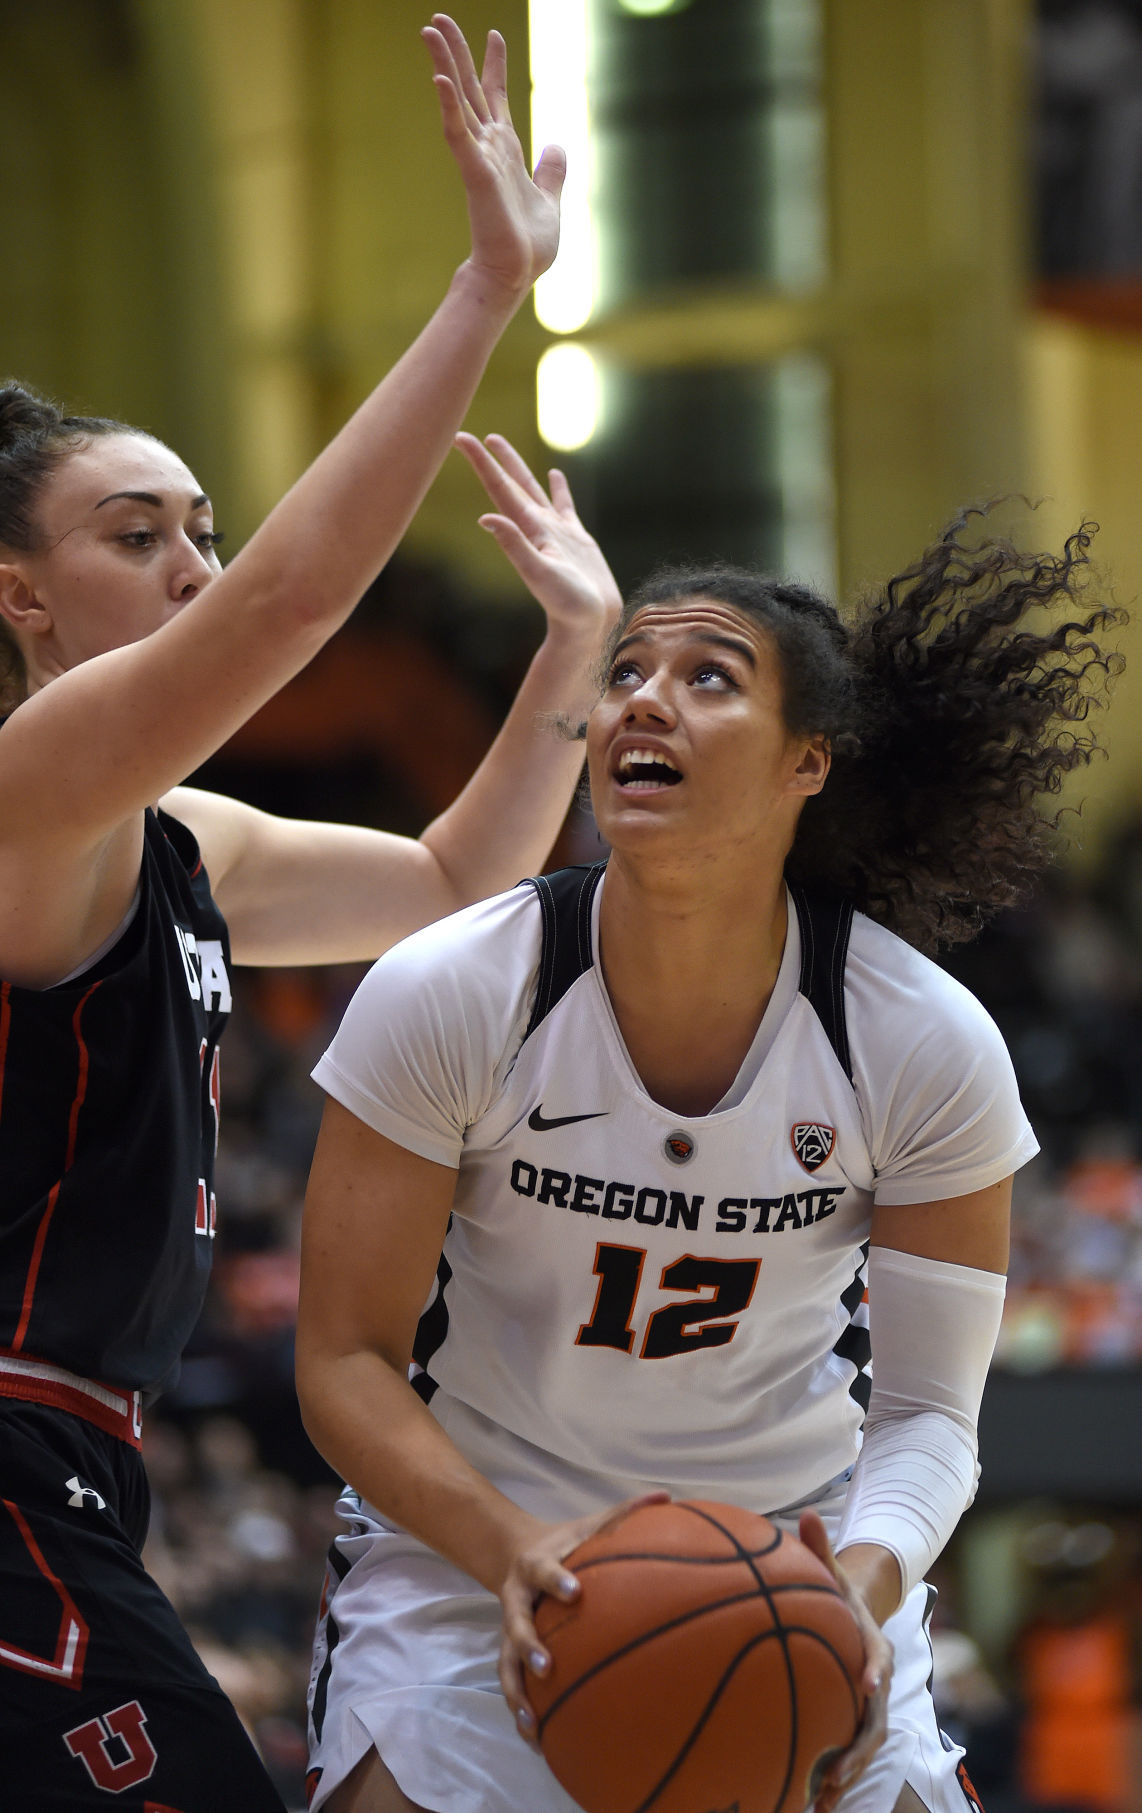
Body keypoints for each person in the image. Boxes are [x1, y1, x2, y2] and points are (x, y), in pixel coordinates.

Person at [296, 459, 1124, 1813]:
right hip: (471, 1552)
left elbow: (925, 1413)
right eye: (624, 672)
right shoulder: (453, 987)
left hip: (800, 1554)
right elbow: (339, 1358)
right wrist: (515, 1550)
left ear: (811, 761)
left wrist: (848, 1593)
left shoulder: (917, 1037)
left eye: (708, 677)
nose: (642, 698)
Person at [0, 18, 615, 1810]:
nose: (193, 563)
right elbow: (282, 613)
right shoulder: (33, 782)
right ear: (17, 595)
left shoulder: (167, 832)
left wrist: (573, 652)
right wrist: (483, 297)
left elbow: (452, 879)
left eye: (203, 524)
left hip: (80, 1460)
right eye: (138, 535)